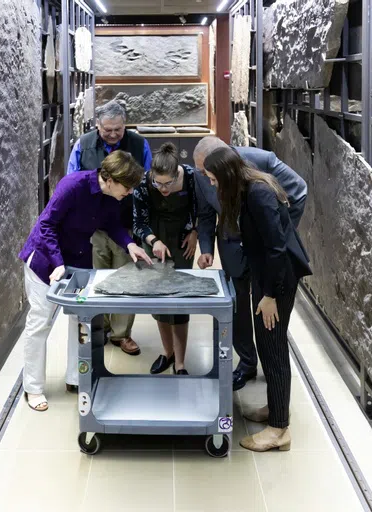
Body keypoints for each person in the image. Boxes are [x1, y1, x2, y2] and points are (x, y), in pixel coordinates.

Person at [17, 151, 152, 411]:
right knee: (40, 322)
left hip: (77, 260)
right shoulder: (73, 185)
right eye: (128, 186)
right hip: (45, 259)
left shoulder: (112, 197)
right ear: (110, 179)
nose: (130, 192)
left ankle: (75, 378)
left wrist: (130, 244)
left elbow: (111, 225)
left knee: (81, 321)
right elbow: (46, 225)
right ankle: (32, 388)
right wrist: (57, 263)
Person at [203, 147, 311, 452]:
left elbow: (277, 249)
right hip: (268, 275)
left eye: (213, 179)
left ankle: (279, 431)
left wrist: (269, 296)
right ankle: (277, 411)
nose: (212, 185)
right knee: (267, 344)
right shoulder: (248, 187)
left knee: (272, 347)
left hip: (277, 280)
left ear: (226, 175)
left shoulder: (259, 194)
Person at [193, 136, 307, 391]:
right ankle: (246, 363)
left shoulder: (261, 161)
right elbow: (206, 213)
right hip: (232, 248)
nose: (204, 178)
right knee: (237, 306)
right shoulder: (203, 174)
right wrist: (207, 248)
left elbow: (299, 191)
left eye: (208, 173)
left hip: (265, 254)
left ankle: (274, 373)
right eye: (201, 172)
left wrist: (275, 232)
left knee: (268, 316)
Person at [67, 100, 152, 357]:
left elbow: (146, 183)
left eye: (118, 129)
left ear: (124, 125)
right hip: (93, 227)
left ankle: (121, 334)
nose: (113, 134)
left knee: (127, 279)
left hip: (126, 225)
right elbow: (72, 180)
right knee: (97, 276)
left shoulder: (139, 144)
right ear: (97, 125)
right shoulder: (83, 144)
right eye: (108, 130)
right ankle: (99, 327)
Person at [133, 143, 199, 375]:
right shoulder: (143, 182)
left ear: (177, 173)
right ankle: (167, 352)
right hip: (154, 240)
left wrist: (195, 232)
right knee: (160, 299)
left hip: (183, 241)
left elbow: (200, 208)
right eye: (157, 183)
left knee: (179, 299)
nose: (162, 188)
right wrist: (153, 241)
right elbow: (138, 222)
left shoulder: (191, 176)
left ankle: (180, 363)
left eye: (168, 183)